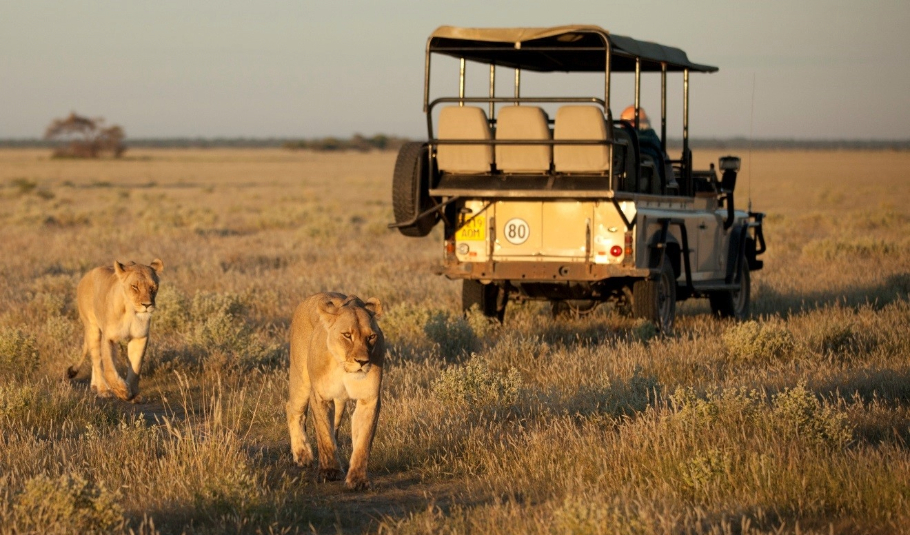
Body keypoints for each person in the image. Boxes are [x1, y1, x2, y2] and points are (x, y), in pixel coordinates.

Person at [620, 106, 667, 190]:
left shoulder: (647, 139)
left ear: (633, 123)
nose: (621, 127)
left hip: (642, 184)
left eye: (623, 123)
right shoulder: (651, 140)